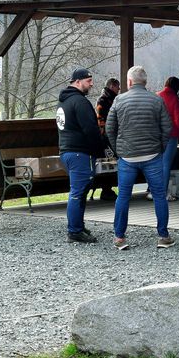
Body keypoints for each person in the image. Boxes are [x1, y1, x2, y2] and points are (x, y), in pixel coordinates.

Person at [106, 65, 173, 251]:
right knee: (159, 195)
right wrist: (160, 147)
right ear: (145, 82)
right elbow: (167, 127)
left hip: (127, 157)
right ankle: (163, 236)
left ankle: (119, 237)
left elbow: (110, 129)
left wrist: (119, 150)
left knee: (123, 197)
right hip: (153, 155)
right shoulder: (156, 100)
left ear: (129, 82)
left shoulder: (119, 100)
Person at [57, 68, 105, 243]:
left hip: (67, 151)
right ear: (77, 81)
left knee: (81, 191)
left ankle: (78, 225)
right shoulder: (80, 102)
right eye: (88, 80)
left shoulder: (63, 101)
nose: (91, 84)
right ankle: (74, 231)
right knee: (78, 192)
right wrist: (100, 150)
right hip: (79, 152)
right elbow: (90, 129)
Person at [157, 75, 179, 201]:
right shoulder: (176, 99)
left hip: (155, 135)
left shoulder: (156, 96)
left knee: (154, 164)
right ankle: (162, 193)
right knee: (165, 164)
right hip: (171, 136)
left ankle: (152, 190)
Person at [94, 77, 121, 200]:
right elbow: (100, 120)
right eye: (117, 87)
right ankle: (106, 189)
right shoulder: (104, 100)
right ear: (111, 86)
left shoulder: (111, 100)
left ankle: (108, 189)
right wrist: (105, 135)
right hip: (106, 137)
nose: (119, 89)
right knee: (109, 163)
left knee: (112, 162)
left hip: (110, 136)